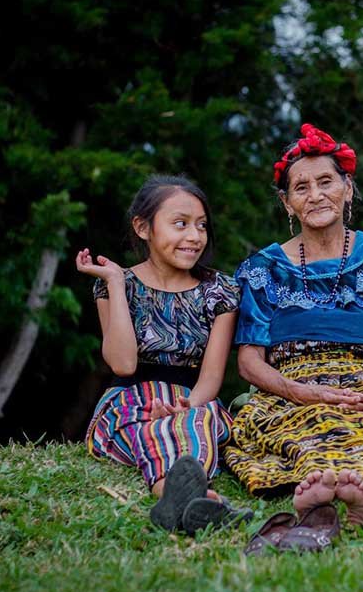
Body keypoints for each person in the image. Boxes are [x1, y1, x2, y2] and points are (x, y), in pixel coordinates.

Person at [225, 124, 363, 526]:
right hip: (292, 385)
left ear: (347, 189)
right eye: (301, 188)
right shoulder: (259, 271)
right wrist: (300, 392)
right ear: (287, 203)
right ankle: (318, 483)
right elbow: (249, 362)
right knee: (302, 425)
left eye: (326, 182)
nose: (316, 195)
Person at [77, 175, 251, 535]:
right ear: (143, 227)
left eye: (201, 226)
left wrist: (184, 406)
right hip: (127, 399)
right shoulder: (115, 284)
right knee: (145, 428)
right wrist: (115, 284)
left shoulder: (221, 291)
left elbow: (212, 378)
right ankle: (203, 502)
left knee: (192, 423)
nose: (194, 236)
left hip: (193, 398)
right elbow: (123, 364)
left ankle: (177, 502)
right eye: (180, 224)